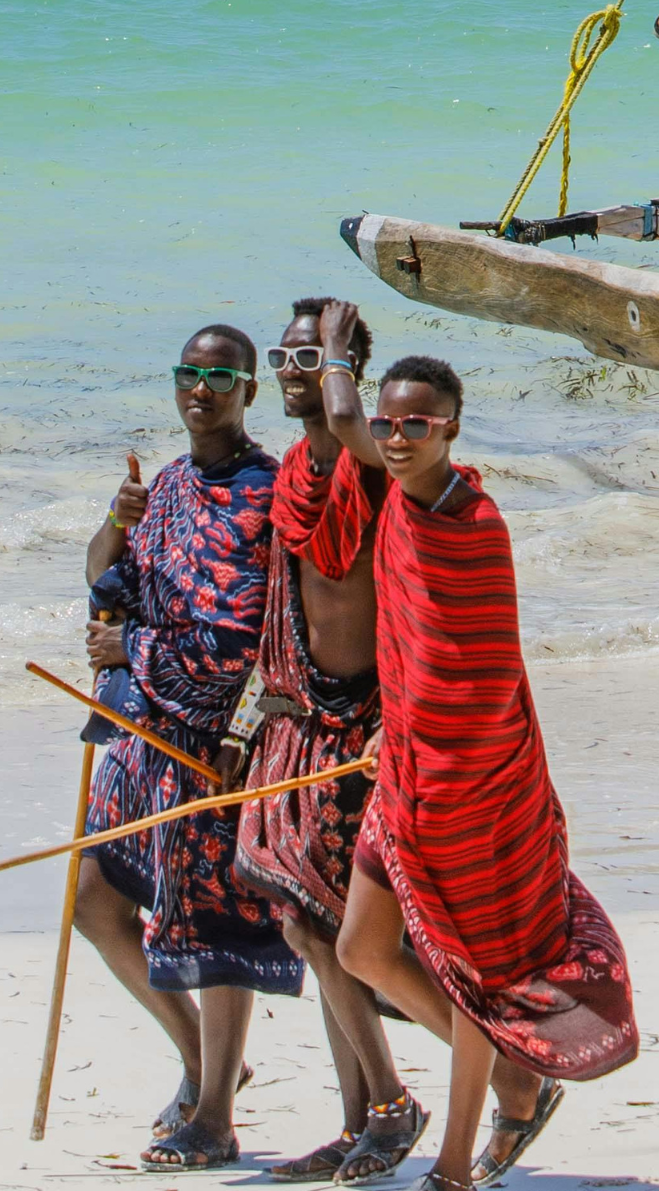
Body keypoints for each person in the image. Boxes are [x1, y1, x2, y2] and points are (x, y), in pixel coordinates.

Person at [315, 302, 637, 1187]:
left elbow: (483, 682)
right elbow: (420, 659)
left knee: (468, 975)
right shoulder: (405, 502)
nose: (394, 437)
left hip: (473, 790)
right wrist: (396, 733)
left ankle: (456, 1165)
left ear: (450, 427)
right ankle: (515, 1076)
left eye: (414, 423)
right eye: (387, 423)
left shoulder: (473, 526)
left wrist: (338, 353)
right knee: (361, 952)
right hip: (411, 775)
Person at [74, 321, 302, 1170]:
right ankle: (208, 1063)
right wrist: (116, 520)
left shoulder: (266, 491)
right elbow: (108, 588)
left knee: (216, 925)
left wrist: (130, 649)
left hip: (219, 734)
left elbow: (240, 634)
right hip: (144, 727)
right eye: (187, 372)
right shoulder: (166, 486)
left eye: (219, 374)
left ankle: (213, 1118)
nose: (199, 387)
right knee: (95, 900)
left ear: (249, 389)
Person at [235, 298, 428, 1185]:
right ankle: (362, 1122)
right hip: (303, 717)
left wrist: (344, 354)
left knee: (339, 928)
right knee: (303, 918)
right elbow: (286, 601)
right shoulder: (291, 474)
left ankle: (394, 1103)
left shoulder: (378, 458)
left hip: (368, 721)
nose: (291, 370)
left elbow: (355, 423)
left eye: (309, 357)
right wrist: (259, 711)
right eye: (282, 355)